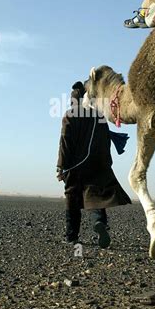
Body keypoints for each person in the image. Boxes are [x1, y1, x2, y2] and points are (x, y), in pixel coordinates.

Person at [56, 81, 131, 248]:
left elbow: (65, 143)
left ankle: (72, 237)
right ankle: (99, 223)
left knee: (72, 199)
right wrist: (106, 164)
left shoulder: (70, 115)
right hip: (96, 165)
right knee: (95, 197)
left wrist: (61, 167)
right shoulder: (99, 116)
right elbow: (105, 142)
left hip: (74, 167)